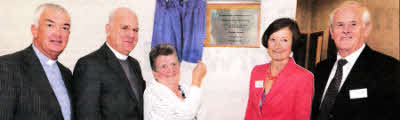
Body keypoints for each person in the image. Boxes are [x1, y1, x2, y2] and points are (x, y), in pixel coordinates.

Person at [311, 1, 400, 120]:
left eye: (353, 24)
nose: (346, 30)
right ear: (332, 32)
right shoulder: (321, 68)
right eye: (340, 24)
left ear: (366, 30)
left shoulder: (390, 69)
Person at [0, 3, 73, 120]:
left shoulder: (67, 74)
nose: (58, 33)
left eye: (65, 28)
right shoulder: (8, 67)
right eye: (50, 25)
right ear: (34, 30)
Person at [72, 7, 145, 120]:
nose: (131, 35)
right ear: (108, 29)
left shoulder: (134, 65)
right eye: (125, 28)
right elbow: (87, 116)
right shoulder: (89, 65)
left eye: (135, 30)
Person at [244, 18, 313, 120]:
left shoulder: (304, 77)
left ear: (292, 43)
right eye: (273, 39)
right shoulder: (257, 71)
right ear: (267, 42)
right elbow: (251, 110)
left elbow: (301, 117)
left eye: (284, 40)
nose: (277, 46)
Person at [144, 43, 207, 120]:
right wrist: (196, 80)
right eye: (164, 66)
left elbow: (201, 114)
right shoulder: (152, 93)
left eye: (173, 64)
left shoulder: (185, 89)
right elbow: (186, 115)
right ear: (154, 73)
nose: (171, 70)